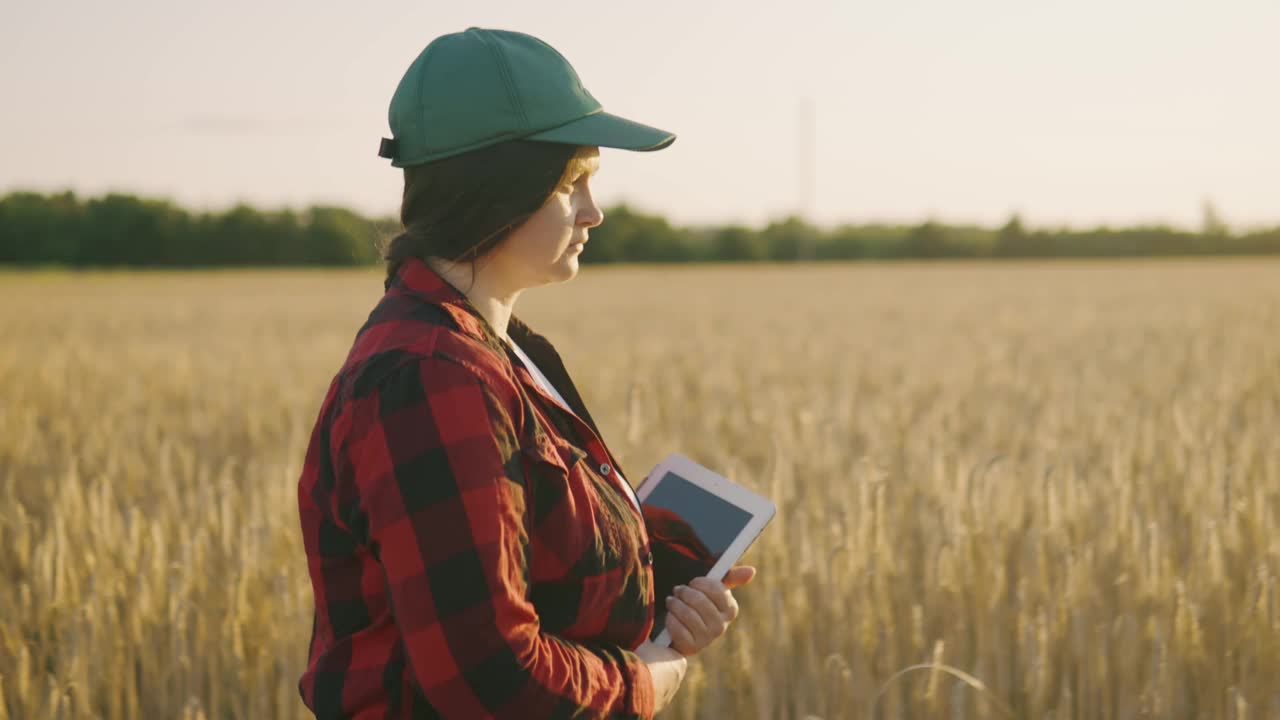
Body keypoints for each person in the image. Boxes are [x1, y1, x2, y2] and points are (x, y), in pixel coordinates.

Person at [296, 27, 757, 719]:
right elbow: (490, 678)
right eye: (573, 183)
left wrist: (659, 598)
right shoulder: (430, 375)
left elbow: (529, 566)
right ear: (498, 187)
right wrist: (647, 680)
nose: (594, 212)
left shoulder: (504, 352)